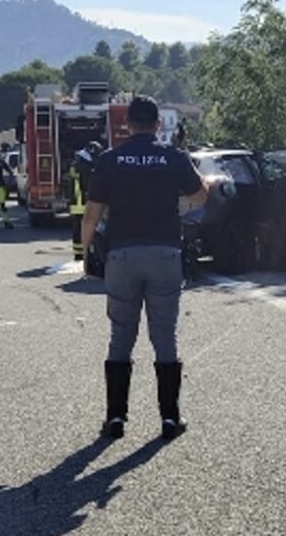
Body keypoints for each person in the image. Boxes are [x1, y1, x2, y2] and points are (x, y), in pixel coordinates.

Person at [82, 96, 207, 440]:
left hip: (121, 254)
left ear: (127, 125)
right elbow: (200, 197)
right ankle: (170, 419)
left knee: (121, 335)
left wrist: (85, 254)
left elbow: (92, 214)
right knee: (164, 335)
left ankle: (116, 418)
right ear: (157, 125)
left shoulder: (110, 160)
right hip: (165, 253)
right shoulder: (173, 157)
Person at [69, 141, 102, 261]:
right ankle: (85, 254)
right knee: (87, 227)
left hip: (75, 202)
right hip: (83, 202)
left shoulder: (77, 163)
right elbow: (89, 184)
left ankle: (78, 253)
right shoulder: (85, 166)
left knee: (77, 228)